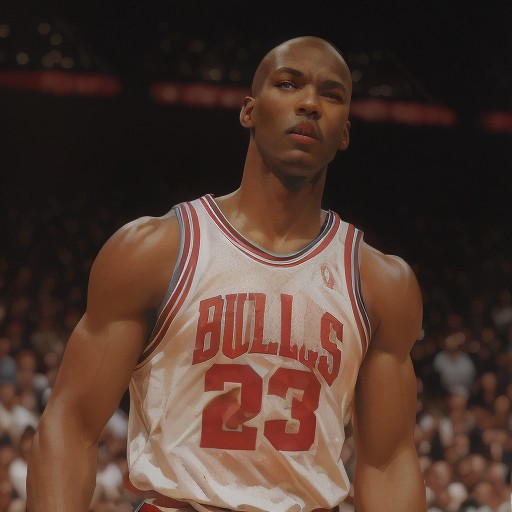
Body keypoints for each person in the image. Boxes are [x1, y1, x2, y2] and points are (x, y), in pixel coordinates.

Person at [26, 36, 426, 511]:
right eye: (288, 84)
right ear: (249, 110)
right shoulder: (155, 251)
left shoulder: (381, 282)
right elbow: (70, 423)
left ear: (344, 133)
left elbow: (389, 462)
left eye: (332, 94)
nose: (310, 104)